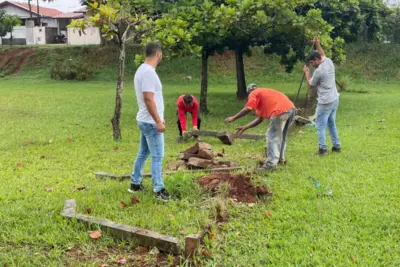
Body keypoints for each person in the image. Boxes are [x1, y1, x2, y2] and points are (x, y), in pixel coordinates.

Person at [129, 42, 171, 201]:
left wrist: (159, 116)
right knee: (158, 155)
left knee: (144, 152)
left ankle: (135, 183)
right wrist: (158, 121)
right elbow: (148, 99)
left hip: (145, 120)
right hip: (150, 122)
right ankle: (159, 190)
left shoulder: (142, 69)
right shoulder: (149, 73)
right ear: (158, 54)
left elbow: (152, 99)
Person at [225, 84, 296, 170]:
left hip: (279, 111)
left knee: (272, 136)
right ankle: (281, 160)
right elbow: (259, 119)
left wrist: (233, 117)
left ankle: (271, 165)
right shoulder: (264, 94)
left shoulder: (254, 93)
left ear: (249, 93)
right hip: (291, 110)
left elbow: (248, 108)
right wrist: (245, 127)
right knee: (281, 136)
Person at [303, 36, 341, 156]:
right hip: (335, 99)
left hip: (325, 102)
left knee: (320, 125)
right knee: (331, 123)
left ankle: (322, 149)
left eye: (311, 62)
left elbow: (310, 85)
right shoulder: (328, 62)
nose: (311, 65)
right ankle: (337, 146)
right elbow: (322, 53)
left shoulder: (319, 71)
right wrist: (317, 43)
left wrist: (307, 73)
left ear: (316, 60)